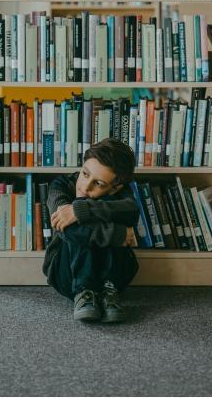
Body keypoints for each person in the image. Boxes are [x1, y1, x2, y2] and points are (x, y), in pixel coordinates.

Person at [43, 137, 140, 323]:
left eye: (99, 184)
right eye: (85, 174)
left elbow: (132, 210)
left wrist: (82, 210)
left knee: (91, 210)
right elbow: (66, 228)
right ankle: (84, 291)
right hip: (66, 273)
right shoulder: (60, 186)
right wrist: (118, 234)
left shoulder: (122, 194)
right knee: (73, 223)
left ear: (115, 188)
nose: (86, 186)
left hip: (116, 273)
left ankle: (108, 291)